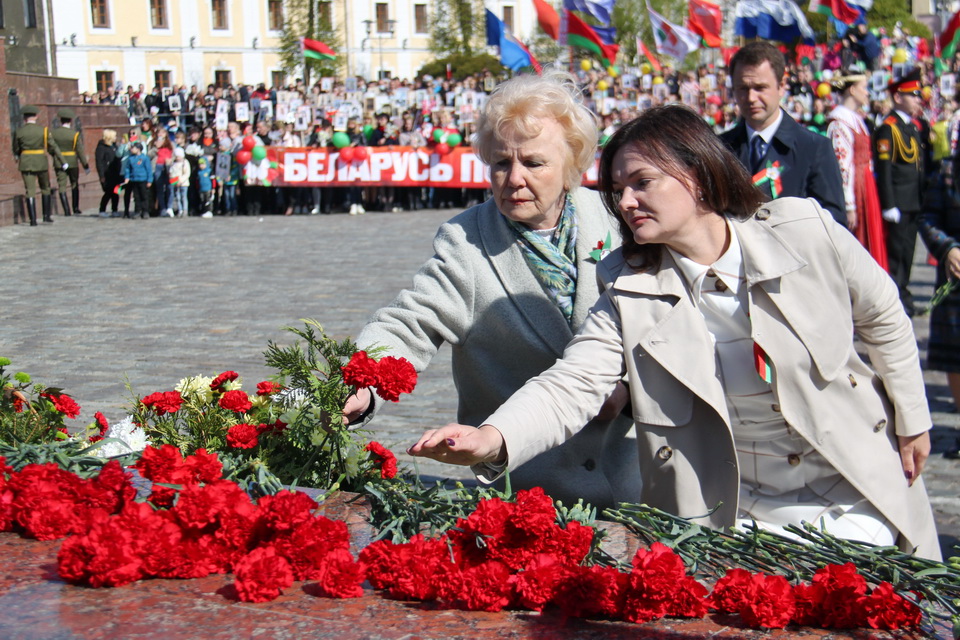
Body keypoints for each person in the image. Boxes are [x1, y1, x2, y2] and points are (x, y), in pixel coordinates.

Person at [409, 104, 940, 560]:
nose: (625, 203)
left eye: (643, 183)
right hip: (730, 509)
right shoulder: (625, 282)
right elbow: (573, 382)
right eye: (617, 190)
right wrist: (492, 439)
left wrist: (913, 420)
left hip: (852, 487)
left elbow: (883, 315)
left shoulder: (805, 229)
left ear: (700, 175)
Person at [343, 70, 641, 510]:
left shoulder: (619, 219)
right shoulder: (466, 242)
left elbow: (667, 327)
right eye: (502, 162)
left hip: (636, 479)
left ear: (573, 167)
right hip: (534, 491)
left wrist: (629, 387)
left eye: (534, 163)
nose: (514, 177)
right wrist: (361, 384)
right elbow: (410, 322)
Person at [720, 42, 847, 226]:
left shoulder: (814, 148)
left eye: (760, 87)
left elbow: (834, 222)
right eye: (743, 88)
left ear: (781, 86)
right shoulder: (720, 148)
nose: (751, 98)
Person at [875, 68, 925, 317]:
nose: (918, 99)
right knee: (896, 256)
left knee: (908, 253)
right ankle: (895, 300)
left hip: (913, 200)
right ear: (897, 97)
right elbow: (884, 169)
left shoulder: (912, 128)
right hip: (898, 202)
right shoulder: (888, 128)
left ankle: (904, 295)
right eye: (913, 95)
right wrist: (889, 204)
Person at [918, 171, 960, 459]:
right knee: (956, 357)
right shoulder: (946, 172)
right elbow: (928, 218)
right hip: (956, 278)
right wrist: (949, 249)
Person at [827, 72, 888, 270]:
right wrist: (849, 204)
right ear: (852, 90)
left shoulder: (856, 120)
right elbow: (842, 165)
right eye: (863, 87)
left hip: (865, 183)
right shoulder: (839, 122)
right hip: (856, 187)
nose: (867, 93)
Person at [13, 105, 65, 226]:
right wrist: (62, 160)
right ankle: (46, 216)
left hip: (26, 162)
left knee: (30, 190)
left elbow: (16, 148)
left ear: (24, 118)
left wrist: (19, 155)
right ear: (36, 116)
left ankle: (32, 220)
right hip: (41, 161)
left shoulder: (19, 131)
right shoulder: (44, 130)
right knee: (45, 188)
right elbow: (53, 146)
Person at [51, 109, 90, 216]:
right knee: (74, 184)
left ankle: (66, 210)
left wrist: (55, 156)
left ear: (60, 121)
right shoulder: (74, 134)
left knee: (62, 185)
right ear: (70, 121)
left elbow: (51, 148)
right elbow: (80, 151)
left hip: (59, 161)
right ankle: (75, 207)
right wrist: (85, 165)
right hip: (72, 161)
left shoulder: (54, 133)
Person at [121, 142, 153, 219]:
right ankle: (137, 211)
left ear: (138, 149)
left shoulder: (144, 158)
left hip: (143, 180)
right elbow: (128, 169)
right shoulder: (131, 158)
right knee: (136, 197)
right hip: (134, 180)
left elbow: (149, 170)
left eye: (133, 148)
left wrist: (149, 180)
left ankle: (145, 211)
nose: (131, 149)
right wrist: (127, 177)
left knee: (144, 196)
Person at [95, 129, 122, 218]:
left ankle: (115, 210)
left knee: (116, 192)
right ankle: (102, 210)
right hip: (107, 174)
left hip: (116, 173)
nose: (116, 138)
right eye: (114, 136)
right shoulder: (101, 147)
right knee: (108, 192)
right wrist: (101, 175)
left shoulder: (114, 146)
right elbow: (99, 162)